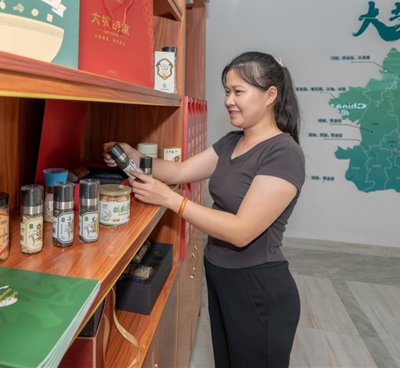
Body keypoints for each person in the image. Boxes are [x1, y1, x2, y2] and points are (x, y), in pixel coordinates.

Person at [104, 51, 305, 368]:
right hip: (220, 275)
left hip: (257, 287)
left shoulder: (283, 153)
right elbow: (179, 171)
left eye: (238, 92)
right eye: (227, 91)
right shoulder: (231, 142)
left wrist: (171, 200)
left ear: (270, 95)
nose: (228, 101)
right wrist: (132, 155)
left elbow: (241, 231)